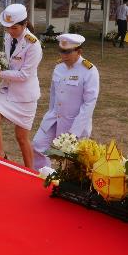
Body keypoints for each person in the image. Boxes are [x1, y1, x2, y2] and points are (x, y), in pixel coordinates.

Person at [0, 4, 42, 170]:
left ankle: (30, 172)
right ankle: (1, 155)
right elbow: (8, 59)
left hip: (25, 95)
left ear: (24, 24)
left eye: (14, 28)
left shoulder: (33, 44)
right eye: (7, 28)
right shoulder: (8, 36)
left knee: (22, 138)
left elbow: (24, 75)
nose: (10, 31)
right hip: (7, 89)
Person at [32, 33, 100, 170]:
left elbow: (89, 104)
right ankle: (43, 175)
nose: (63, 55)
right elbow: (53, 95)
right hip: (54, 118)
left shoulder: (89, 71)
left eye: (68, 52)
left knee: (70, 163)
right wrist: (50, 113)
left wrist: (74, 132)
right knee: (38, 145)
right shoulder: (59, 67)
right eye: (61, 51)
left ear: (79, 52)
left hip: (74, 124)